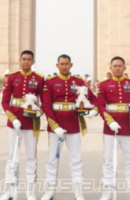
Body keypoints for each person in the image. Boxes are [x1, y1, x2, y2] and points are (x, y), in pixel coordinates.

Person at [41, 54, 98, 200]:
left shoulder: (79, 81)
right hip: (56, 127)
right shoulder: (50, 82)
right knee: (52, 160)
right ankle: (49, 191)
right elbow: (46, 106)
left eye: (67, 64)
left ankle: (78, 193)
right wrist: (54, 126)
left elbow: (93, 98)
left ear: (71, 65)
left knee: (76, 160)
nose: (64, 66)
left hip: (73, 125)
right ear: (57, 65)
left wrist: (93, 110)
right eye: (62, 64)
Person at [97, 56, 130, 200]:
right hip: (110, 128)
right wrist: (109, 121)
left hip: (128, 127)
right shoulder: (103, 85)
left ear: (124, 68)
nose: (117, 68)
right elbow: (100, 105)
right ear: (110, 68)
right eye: (114, 66)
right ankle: (107, 190)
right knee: (109, 161)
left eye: (120, 66)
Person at [0, 50, 45, 200]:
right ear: (19, 60)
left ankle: (30, 191)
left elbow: (45, 101)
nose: (26, 62)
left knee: (31, 157)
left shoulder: (39, 79)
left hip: (32, 121)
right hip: (15, 122)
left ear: (33, 61)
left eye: (29, 59)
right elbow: (5, 101)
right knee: (12, 157)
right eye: (24, 59)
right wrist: (13, 118)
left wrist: (40, 112)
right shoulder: (12, 77)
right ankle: (9, 190)